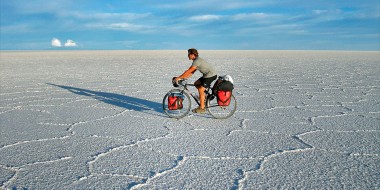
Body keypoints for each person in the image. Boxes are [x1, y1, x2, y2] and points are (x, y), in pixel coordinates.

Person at [174, 48, 217, 113]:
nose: (188, 56)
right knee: (196, 83)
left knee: (200, 89)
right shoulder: (196, 61)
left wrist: (178, 78)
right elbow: (191, 72)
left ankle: (202, 108)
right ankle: (206, 97)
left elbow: (189, 71)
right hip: (206, 75)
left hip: (211, 75)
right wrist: (183, 78)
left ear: (192, 54)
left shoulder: (197, 61)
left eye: (189, 54)